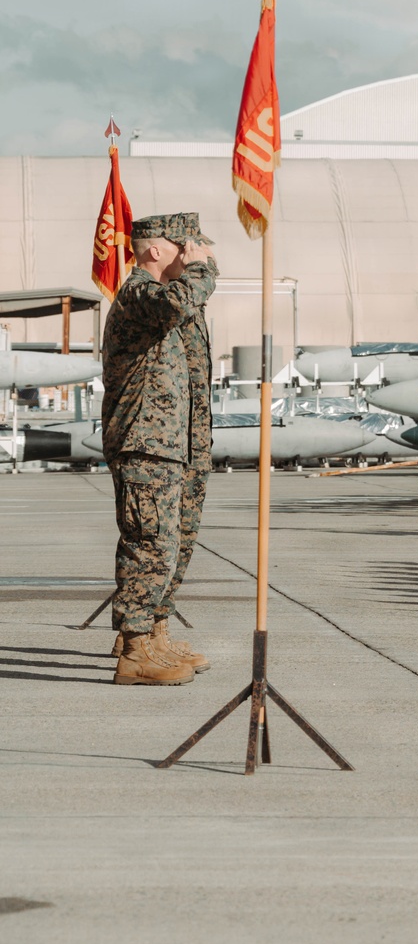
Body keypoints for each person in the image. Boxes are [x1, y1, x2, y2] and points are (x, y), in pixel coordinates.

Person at [102, 212, 217, 686]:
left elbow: (187, 327)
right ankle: (133, 650)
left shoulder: (168, 300)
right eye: (184, 247)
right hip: (144, 442)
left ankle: (154, 632)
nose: (195, 256)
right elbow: (175, 305)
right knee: (149, 544)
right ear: (155, 250)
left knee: (174, 544)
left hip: (175, 443)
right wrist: (201, 272)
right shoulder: (138, 294)